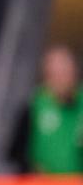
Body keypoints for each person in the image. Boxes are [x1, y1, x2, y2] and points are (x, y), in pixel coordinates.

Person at [10, 46, 83, 174]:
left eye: (65, 72)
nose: (61, 79)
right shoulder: (35, 106)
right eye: (56, 73)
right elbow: (16, 152)